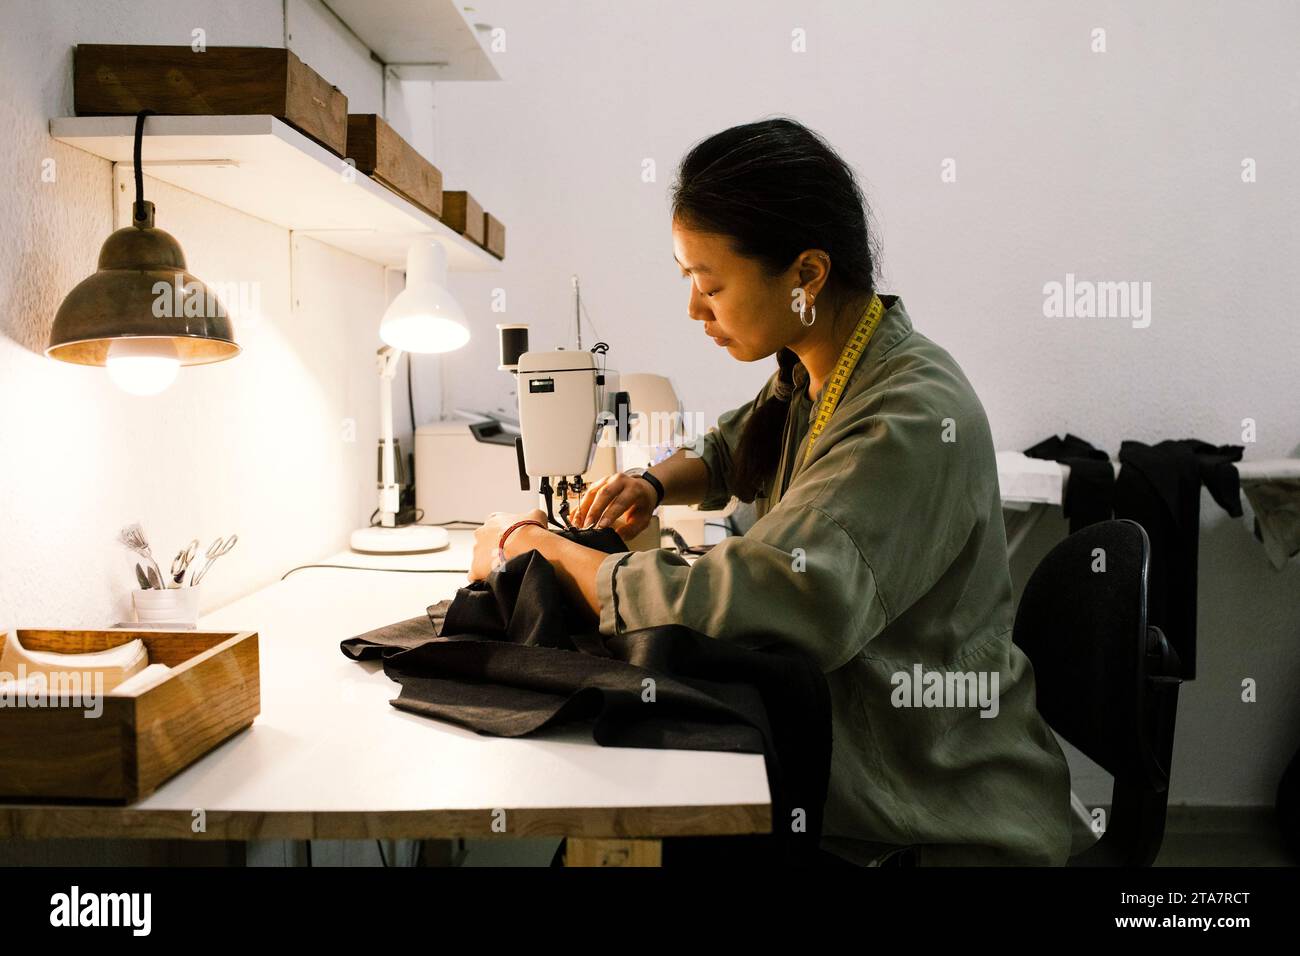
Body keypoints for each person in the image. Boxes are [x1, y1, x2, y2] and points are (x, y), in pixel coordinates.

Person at [471, 117, 1074, 866]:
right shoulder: (818, 369)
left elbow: (775, 594)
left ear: (807, 274)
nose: (695, 308)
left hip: (929, 799)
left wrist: (548, 554)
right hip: (860, 742)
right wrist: (653, 483)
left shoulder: (909, 416)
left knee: (640, 817)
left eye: (710, 283)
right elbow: (732, 444)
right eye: (688, 280)